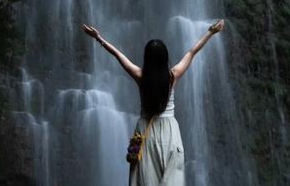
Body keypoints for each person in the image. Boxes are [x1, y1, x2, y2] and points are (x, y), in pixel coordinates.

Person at [82, 19, 225, 184]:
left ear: (146, 58)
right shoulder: (173, 76)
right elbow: (192, 52)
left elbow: (117, 55)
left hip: (145, 131)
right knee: (172, 177)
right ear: (165, 58)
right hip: (169, 131)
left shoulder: (140, 75)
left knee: (145, 177)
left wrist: (98, 37)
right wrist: (211, 32)